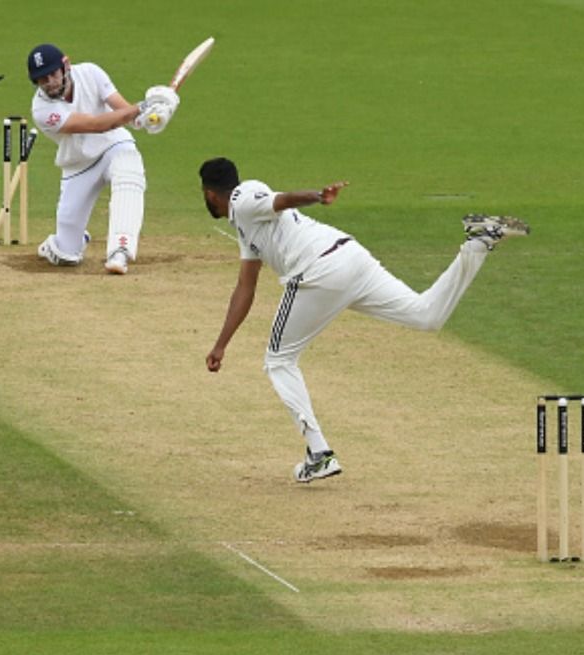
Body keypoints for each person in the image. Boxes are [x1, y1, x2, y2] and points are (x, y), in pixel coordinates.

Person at [197, 157, 528, 483]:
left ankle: (319, 454)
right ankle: (478, 243)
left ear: (210, 193)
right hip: (349, 259)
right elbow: (246, 286)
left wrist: (317, 196)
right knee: (426, 315)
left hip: (319, 270)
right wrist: (221, 344)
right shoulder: (245, 226)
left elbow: (279, 200)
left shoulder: (243, 197)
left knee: (279, 361)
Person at [26, 43, 180, 274]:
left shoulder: (91, 72)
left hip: (114, 145)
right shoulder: (42, 110)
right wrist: (144, 106)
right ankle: (62, 244)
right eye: (42, 79)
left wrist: (151, 116)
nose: (49, 82)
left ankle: (120, 251)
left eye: (52, 74)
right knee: (67, 254)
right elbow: (96, 125)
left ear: (65, 65)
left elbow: (126, 114)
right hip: (78, 164)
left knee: (130, 170)